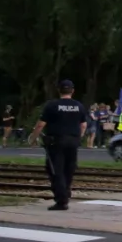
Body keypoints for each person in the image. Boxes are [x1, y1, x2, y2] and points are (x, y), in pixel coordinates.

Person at [31, 80, 86, 211]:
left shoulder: (52, 105)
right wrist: (78, 137)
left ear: (59, 90)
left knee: (56, 170)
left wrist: (34, 137)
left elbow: (40, 124)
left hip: (56, 142)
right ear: (72, 91)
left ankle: (62, 200)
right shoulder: (79, 106)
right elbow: (83, 125)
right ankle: (66, 192)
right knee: (69, 169)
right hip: (73, 141)